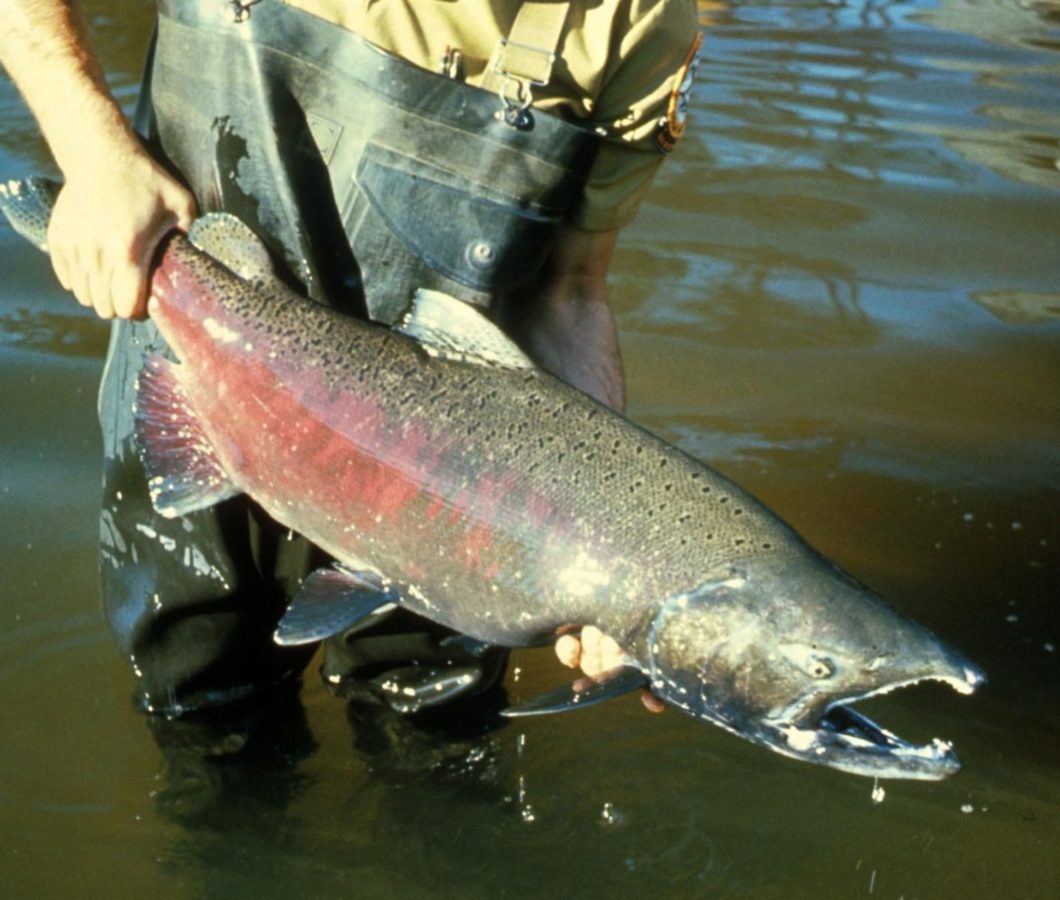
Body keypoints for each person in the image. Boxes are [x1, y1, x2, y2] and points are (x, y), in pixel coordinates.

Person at [0, 0, 698, 722]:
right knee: (207, 712)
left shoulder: (642, 19)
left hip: (449, 481)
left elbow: (570, 291)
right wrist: (93, 154)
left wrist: (607, 544)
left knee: (435, 746)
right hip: (208, 361)